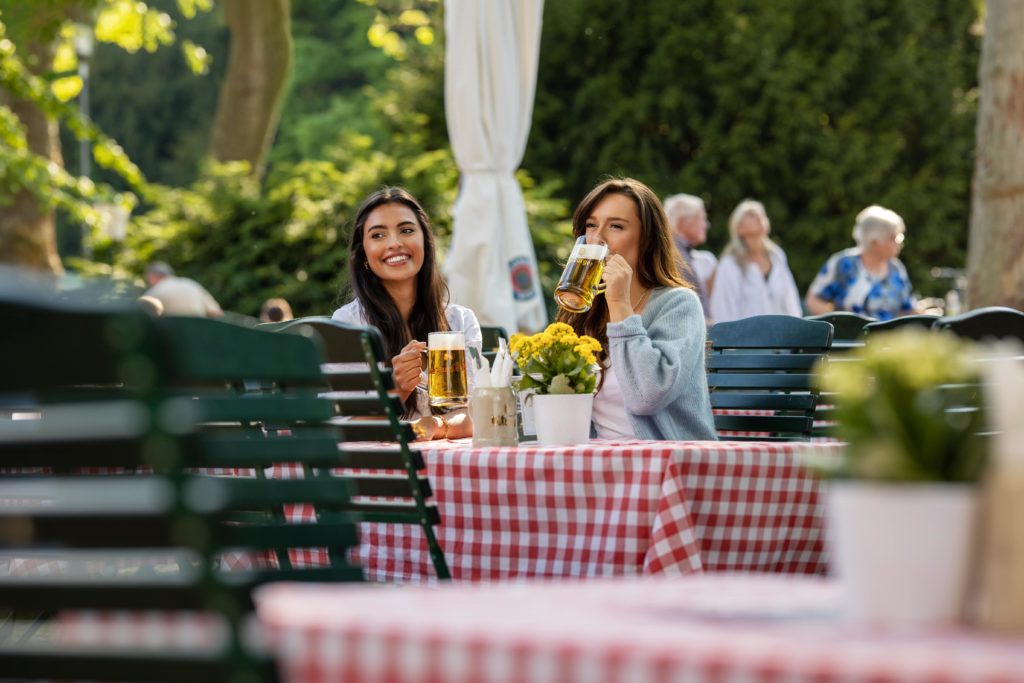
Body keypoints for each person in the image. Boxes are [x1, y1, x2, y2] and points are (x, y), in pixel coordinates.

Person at [556, 178, 716, 441]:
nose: (597, 239)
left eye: (616, 226)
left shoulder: (679, 305)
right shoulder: (587, 310)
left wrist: (620, 305)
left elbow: (647, 396)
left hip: (669, 464)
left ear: (647, 240)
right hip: (599, 466)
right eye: (591, 225)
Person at [332, 186, 481, 440]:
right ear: (364, 255)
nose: (395, 243)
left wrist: (434, 425)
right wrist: (397, 390)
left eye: (407, 230)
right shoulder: (348, 326)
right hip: (378, 473)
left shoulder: (459, 321)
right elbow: (346, 429)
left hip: (447, 469)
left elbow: (477, 413)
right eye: (378, 235)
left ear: (425, 241)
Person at [805, 205, 915, 321]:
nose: (900, 243)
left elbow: (908, 309)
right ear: (874, 242)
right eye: (894, 238)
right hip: (850, 337)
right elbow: (814, 300)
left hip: (887, 338)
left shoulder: (896, 269)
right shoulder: (843, 264)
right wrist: (839, 325)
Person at [707, 200, 802, 323]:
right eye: (751, 214)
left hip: (782, 338)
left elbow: (790, 299)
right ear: (739, 228)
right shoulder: (729, 264)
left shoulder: (777, 256)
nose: (759, 216)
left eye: (761, 214)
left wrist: (798, 332)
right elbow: (723, 310)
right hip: (747, 340)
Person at [663, 193, 716, 315]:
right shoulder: (676, 255)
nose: (706, 225)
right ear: (683, 222)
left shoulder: (678, 251)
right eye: (702, 219)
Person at [143, 262, 223, 318]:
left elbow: (142, 317)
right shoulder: (191, 284)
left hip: (172, 337)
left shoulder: (154, 292)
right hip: (199, 334)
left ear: (152, 276)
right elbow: (216, 312)